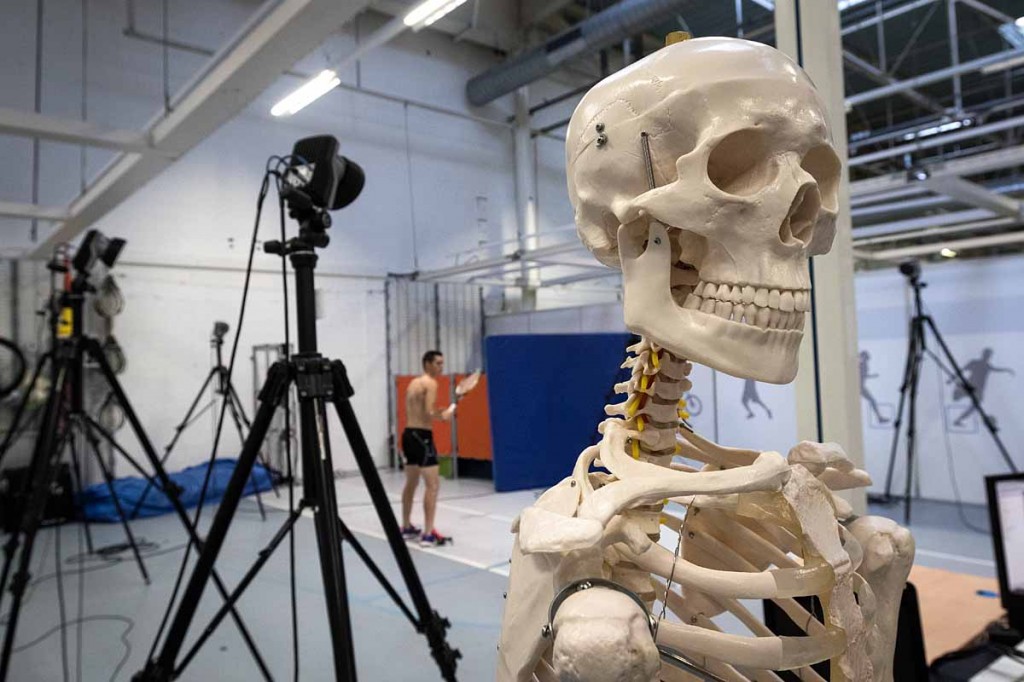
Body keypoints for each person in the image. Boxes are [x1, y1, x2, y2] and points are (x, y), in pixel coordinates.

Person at [401, 350, 455, 546]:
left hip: (408, 435)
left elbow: (420, 411)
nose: (442, 367)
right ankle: (427, 534)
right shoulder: (430, 383)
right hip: (422, 437)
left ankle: (406, 527)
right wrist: (445, 416)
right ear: (428, 364)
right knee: (432, 486)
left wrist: (440, 412)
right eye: (438, 363)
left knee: (411, 483)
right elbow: (429, 412)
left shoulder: (414, 383)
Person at [951, 347, 1015, 427]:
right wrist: (953, 378)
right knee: (957, 396)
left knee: (975, 406)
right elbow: (962, 369)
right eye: (987, 355)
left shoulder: (987, 366)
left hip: (978, 390)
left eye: (989, 356)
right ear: (983, 355)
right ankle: (958, 393)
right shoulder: (974, 362)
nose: (988, 357)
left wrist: (1007, 370)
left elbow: (997, 369)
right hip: (969, 385)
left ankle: (958, 420)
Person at [859, 350, 889, 424]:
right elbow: (862, 375)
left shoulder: (863, 365)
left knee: (872, 400)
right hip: (860, 387)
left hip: (861, 387)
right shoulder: (861, 365)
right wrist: (872, 376)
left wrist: (872, 376)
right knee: (872, 400)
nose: (866, 359)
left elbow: (863, 376)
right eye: (865, 357)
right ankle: (879, 418)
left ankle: (879, 418)